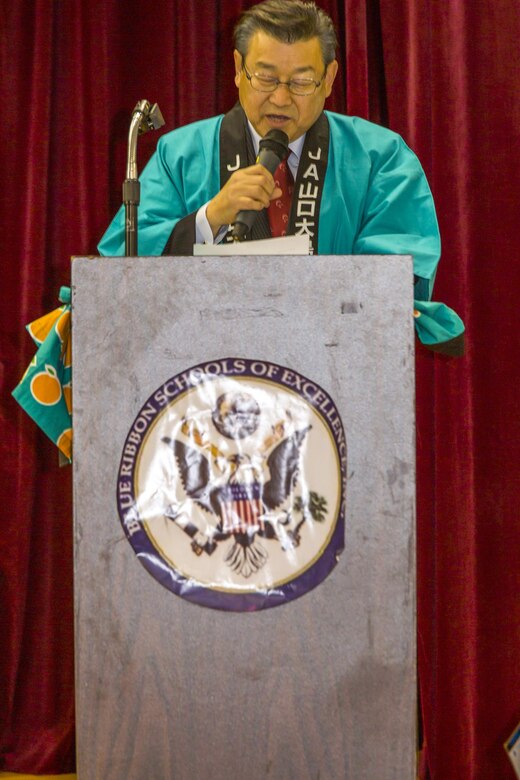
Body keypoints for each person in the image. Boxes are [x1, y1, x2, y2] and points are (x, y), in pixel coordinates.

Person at [98, 0, 464, 351]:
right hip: (199, 379)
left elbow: (396, 277)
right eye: (266, 78)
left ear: (330, 77)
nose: (280, 98)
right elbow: (120, 270)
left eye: (301, 82)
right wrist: (209, 219)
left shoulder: (380, 158)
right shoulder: (179, 154)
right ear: (239, 69)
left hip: (334, 376)